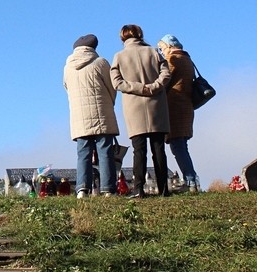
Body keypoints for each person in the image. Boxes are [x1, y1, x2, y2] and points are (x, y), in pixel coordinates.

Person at [110, 24, 171, 198]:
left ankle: (138, 189)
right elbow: (166, 74)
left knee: (139, 150)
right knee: (158, 148)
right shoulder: (153, 52)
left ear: (122, 37)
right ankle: (163, 189)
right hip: (156, 103)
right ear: (140, 34)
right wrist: (153, 87)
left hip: (134, 106)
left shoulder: (119, 57)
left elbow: (117, 83)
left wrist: (138, 88)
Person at [63, 34, 120, 198]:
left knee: (83, 153)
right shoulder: (100, 62)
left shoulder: (67, 67)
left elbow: (67, 88)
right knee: (105, 151)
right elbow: (112, 87)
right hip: (102, 112)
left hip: (79, 116)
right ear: (94, 47)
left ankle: (82, 189)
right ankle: (108, 189)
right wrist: (110, 103)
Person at [157, 34, 199, 193]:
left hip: (175, 107)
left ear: (169, 46)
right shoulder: (187, 59)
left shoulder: (173, 59)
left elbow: (164, 80)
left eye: (162, 48)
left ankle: (190, 180)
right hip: (186, 107)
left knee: (178, 146)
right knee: (181, 145)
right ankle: (191, 179)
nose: (161, 51)